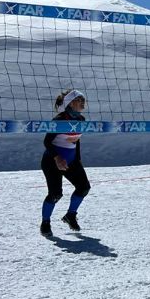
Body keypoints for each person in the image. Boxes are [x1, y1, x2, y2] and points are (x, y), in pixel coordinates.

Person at [40, 89, 91, 236]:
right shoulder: (59, 120)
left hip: (71, 160)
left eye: (83, 99)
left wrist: (78, 159)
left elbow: (77, 140)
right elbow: (47, 141)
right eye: (79, 100)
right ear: (70, 102)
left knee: (84, 188)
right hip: (52, 160)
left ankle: (70, 215)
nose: (83, 102)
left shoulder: (81, 120)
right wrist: (57, 158)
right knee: (55, 194)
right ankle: (45, 223)